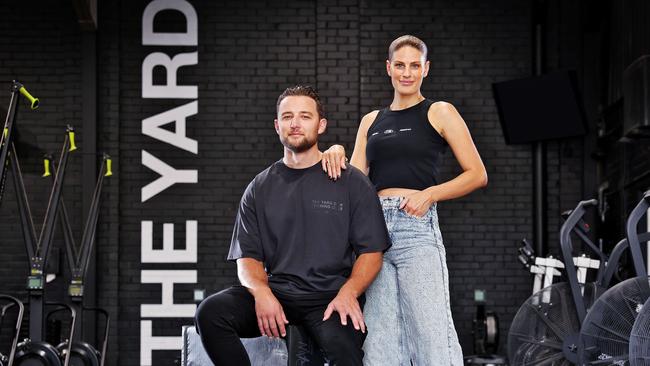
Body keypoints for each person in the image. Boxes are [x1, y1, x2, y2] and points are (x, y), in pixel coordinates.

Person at [194, 85, 391, 366]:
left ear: (321, 125)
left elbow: (372, 254)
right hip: (278, 293)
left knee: (342, 350)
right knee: (210, 313)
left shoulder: (351, 182)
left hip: (330, 296)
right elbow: (247, 258)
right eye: (287, 117)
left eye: (304, 116)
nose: (295, 124)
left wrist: (349, 293)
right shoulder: (260, 187)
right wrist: (262, 293)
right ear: (277, 126)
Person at [322, 35, 488, 365]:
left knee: (431, 337)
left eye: (414, 65)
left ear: (425, 69)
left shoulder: (439, 111)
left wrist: (431, 193)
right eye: (400, 65)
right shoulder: (371, 120)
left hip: (417, 228)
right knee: (381, 342)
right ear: (389, 68)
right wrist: (335, 150)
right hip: (374, 235)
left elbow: (477, 174)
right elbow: (355, 181)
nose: (407, 72)